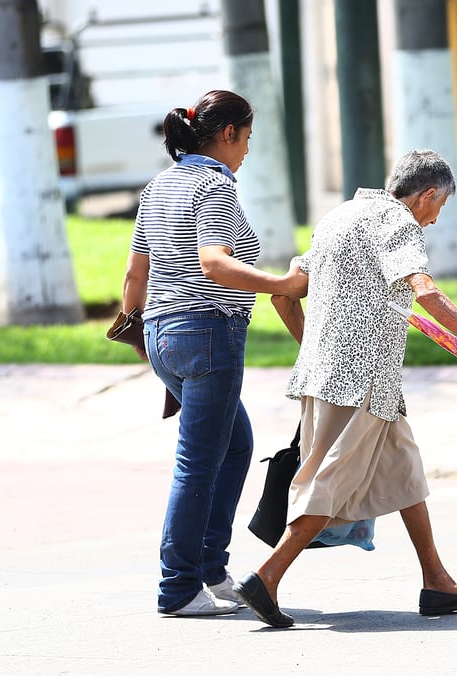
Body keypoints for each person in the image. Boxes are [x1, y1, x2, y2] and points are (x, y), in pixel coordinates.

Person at [232, 149, 457, 627]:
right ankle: (266, 576)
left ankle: (437, 582)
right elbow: (425, 291)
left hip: (339, 377)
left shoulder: (339, 217)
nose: (434, 220)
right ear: (426, 195)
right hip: (361, 379)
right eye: (440, 207)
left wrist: (317, 348)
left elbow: (284, 293)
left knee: (405, 469)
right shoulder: (397, 222)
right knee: (328, 481)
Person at [119, 89, 307, 617]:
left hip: (162, 335)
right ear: (227, 134)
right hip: (207, 334)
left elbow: (137, 272)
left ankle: (209, 568)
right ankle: (178, 588)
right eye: (246, 138)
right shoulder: (214, 187)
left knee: (235, 444)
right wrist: (283, 284)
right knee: (197, 463)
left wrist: (137, 330)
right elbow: (214, 264)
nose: (246, 150)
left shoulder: (159, 186)